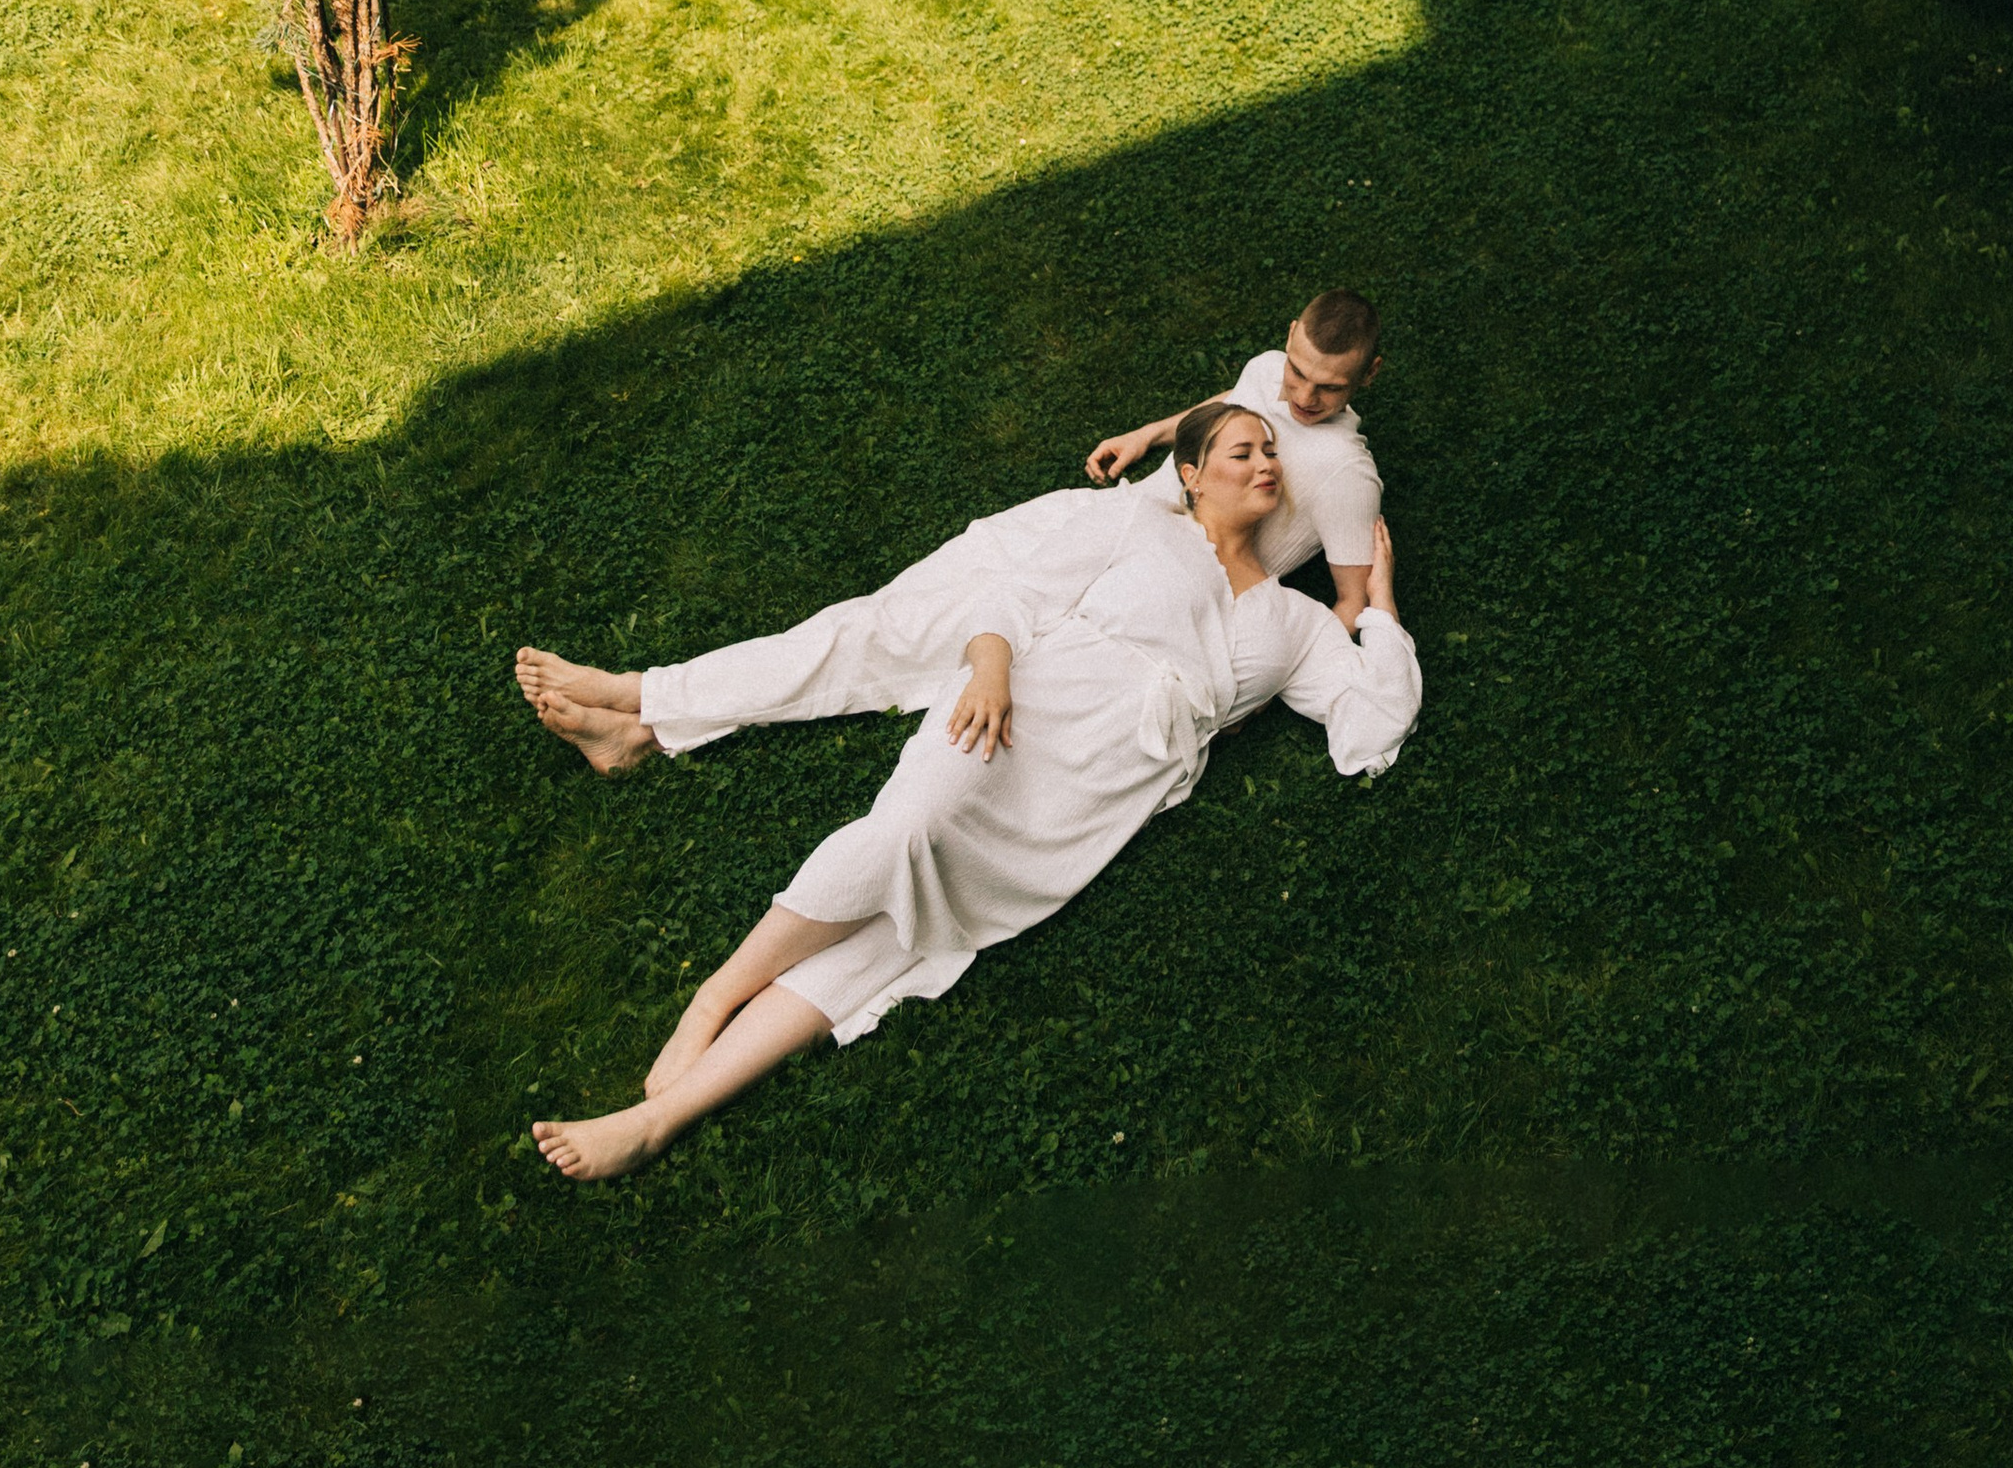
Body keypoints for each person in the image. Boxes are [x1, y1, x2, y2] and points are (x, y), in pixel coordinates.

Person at [525, 400, 1420, 1183]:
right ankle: (713, 997)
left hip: (1096, 796)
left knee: (903, 944)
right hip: (1020, 707)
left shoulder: (1298, 624)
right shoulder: (1140, 527)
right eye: (1243, 450)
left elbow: (1372, 721)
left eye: (1272, 454)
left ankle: (653, 1122)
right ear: (1189, 475)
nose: (1266, 463)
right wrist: (989, 669)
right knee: (906, 827)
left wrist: (1377, 602)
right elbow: (1012, 594)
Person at [1086, 289, 1385, 615]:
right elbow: (1233, 402)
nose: (1304, 397)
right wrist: (1148, 434)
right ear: (1291, 334)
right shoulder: (1267, 367)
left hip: (1176, 589)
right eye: (1297, 372)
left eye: (1329, 387)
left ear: (1370, 372)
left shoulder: (1347, 474)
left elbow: (1354, 602)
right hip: (1129, 511)